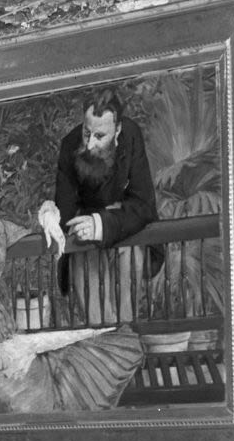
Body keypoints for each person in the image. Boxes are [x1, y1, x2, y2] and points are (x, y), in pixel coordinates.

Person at [0, 130, 144, 413]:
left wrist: (49, 218)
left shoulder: (0, 228)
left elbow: (34, 223)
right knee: (31, 401)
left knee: (76, 371)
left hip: (9, 342)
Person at [44, 89, 160, 291]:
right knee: (83, 266)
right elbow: (65, 213)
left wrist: (100, 224)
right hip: (84, 246)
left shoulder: (131, 136)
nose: (89, 145)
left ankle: (124, 323)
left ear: (117, 130)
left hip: (126, 237)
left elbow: (143, 205)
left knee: (129, 258)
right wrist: (49, 213)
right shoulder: (70, 145)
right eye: (86, 133)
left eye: (99, 136)